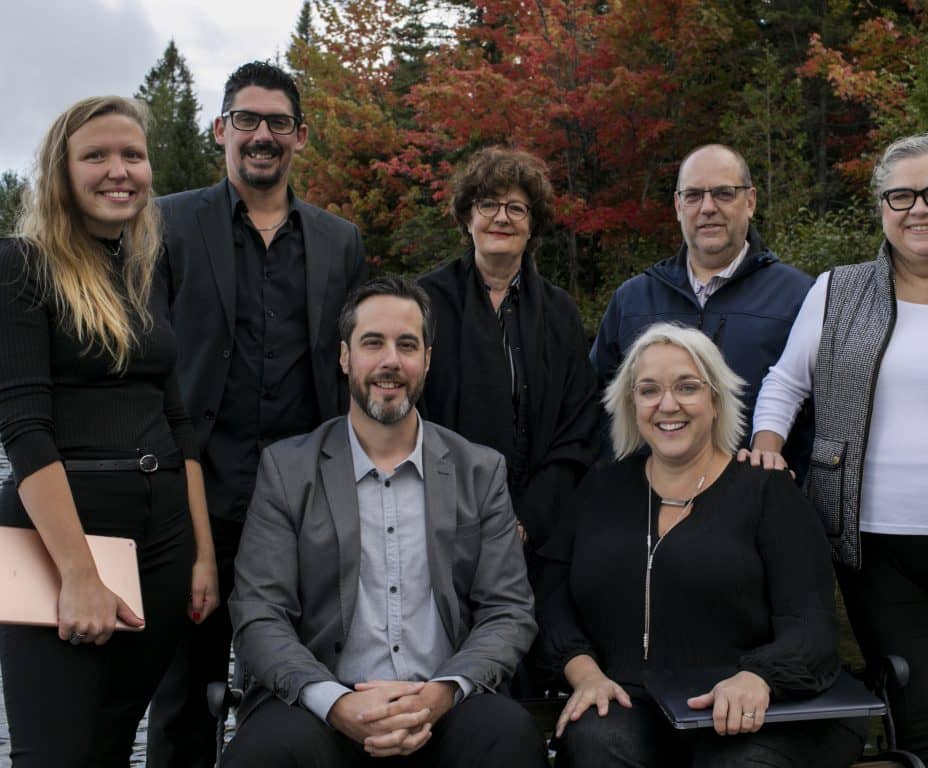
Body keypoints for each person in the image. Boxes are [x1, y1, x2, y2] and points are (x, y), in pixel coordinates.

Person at [749, 133, 928, 768]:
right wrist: (766, 450)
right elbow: (785, 385)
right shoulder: (837, 290)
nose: (918, 209)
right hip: (868, 543)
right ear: (881, 207)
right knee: (917, 715)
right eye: (900, 195)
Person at [221, 277, 548, 767]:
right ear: (345, 357)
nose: (390, 361)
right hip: (324, 707)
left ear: (428, 360)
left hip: (441, 704)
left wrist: (440, 694)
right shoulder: (287, 470)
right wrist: (336, 702)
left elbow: (509, 611)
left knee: (509, 735)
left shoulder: (479, 471)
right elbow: (258, 613)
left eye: (407, 345)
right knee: (264, 752)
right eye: (372, 343)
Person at [148, 61, 367, 767]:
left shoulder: (340, 241)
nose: (261, 135)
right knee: (185, 695)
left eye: (277, 122)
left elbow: (352, 369)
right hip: (196, 496)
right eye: (246, 119)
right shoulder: (168, 222)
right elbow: (147, 358)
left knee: (295, 692)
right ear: (221, 130)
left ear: (300, 136)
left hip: (303, 505)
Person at [0, 96, 218, 767]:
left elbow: (176, 420)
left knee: (115, 738)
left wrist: (202, 554)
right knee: (55, 750)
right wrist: (78, 573)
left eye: (132, 155)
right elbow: (23, 429)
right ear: (61, 173)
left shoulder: (138, 270)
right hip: (60, 540)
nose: (118, 170)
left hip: (162, 541)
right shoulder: (21, 265)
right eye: (95, 156)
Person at [540, 323, 865, 767]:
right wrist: (584, 673)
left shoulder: (768, 491)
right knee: (593, 746)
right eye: (649, 390)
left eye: (687, 387)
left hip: (760, 707)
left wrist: (759, 676)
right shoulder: (600, 488)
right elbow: (552, 596)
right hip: (631, 702)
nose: (667, 404)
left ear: (715, 401)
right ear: (631, 404)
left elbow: (811, 621)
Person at [418, 145, 600, 562]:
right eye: (488, 205)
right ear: (467, 216)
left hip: (539, 533)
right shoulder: (425, 303)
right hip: (440, 526)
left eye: (516, 208)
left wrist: (527, 520)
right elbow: (412, 415)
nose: (501, 217)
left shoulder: (560, 313)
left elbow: (577, 425)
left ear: (532, 224)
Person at [590, 144, 814, 476]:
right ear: (678, 206)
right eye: (693, 196)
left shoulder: (799, 297)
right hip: (648, 505)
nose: (707, 208)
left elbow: (822, 413)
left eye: (724, 193)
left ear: (750, 201)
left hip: (753, 506)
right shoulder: (633, 299)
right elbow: (596, 404)